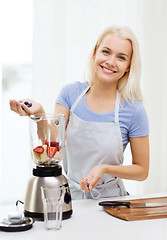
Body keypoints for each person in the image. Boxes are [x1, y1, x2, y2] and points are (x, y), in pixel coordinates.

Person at [10, 25, 149, 200]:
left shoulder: (134, 110)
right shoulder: (70, 94)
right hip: (71, 199)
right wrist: (39, 114)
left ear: (128, 67)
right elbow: (54, 144)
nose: (111, 61)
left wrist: (104, 169)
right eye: (106, 52)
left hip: (112, 203)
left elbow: (142, 170)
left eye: (121, 57)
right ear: (94, 54)